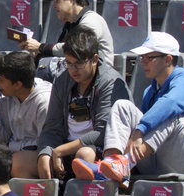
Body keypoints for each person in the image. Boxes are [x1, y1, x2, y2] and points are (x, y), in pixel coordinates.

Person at [73, 32, 184, 187]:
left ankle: (124, 164)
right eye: (142, 57)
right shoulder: (150, 91)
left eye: (149, 57)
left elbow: (170, 103)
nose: (143, 62)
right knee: (122, 106)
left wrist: (139, 130)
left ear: (168, 59)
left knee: (171, 115)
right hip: (155, 158)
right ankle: (110, 165)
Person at [36, 26, 130, 180]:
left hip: (98, 149)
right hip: (64, 146)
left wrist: (61, 150)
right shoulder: (62, 80)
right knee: (27, 162)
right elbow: (52, 127)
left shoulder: (111, 82)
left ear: (94, 60)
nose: (73, 69)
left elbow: (102, 133)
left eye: (79, 63)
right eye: (68, 63)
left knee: (83, 156)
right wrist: (45, 153)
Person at [19, 0, 114, 79]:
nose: (54, 6)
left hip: (99, 80)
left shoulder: (92, 20)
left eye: (57, 0)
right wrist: (37, 53)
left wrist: (40, 47)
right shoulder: (71, 24)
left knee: (46, 67)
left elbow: (75, 48)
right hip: (81, 77)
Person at [0, 51, 52, 178]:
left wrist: (11, 146)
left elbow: (45, 142)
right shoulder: (6, 97)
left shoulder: (44, 101)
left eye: (2, 80)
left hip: (40, 154)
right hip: (13, 151)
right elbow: (0, 140)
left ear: (17, 84)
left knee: (17, 162)